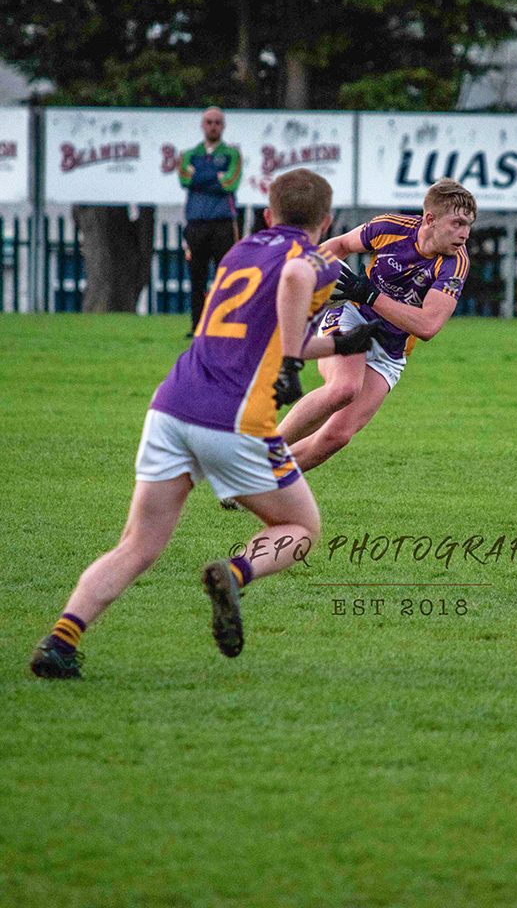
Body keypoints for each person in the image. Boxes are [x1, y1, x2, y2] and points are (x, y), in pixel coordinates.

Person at [30, 169, 382, 679]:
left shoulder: (240, 253)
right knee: (301, 528)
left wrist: (336, 345)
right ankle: (235, 573)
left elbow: (264, 328)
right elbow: (293, 280)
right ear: (327, 221)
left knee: (138, 545)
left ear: (267, 214)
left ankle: (61, 641)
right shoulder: (315, 263)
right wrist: (289, 364)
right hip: (233, 417)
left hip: (172, 405)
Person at [279, 178, 477, 472]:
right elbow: (342, 244)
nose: (465, 234)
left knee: (336, 436)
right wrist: (305, 274)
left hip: (390, 350)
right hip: (352, 317)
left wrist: (371, 294)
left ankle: (256, 481)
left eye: (469, 225)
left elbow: (427, 326)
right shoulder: (390, 227)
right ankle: (251, 454)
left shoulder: (455, 263)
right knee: (344, 389)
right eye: (457, 223)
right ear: (430, 219)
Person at [179, 106, 243, 335]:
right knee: (197, 277)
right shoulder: (189, 154)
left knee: (226, 277)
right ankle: (196, 326)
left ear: (223, 126)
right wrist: (214, 176)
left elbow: (230, 182)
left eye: (217, 122)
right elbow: (184, 178)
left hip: (223, 223)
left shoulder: (232, 154)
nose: (213, 126)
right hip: (196, 223)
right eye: (209, 121)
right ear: (202, 124)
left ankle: (223, 325)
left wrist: (200, 175)